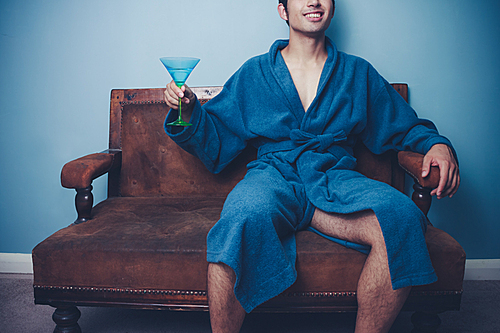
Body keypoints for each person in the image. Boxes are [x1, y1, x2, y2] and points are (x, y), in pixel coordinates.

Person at [163, 0, 460, 332]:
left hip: (334, 176)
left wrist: (436, 144)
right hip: (273, 175)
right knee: (239, 219)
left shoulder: (356, 72)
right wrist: (188, 112)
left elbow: (403, 125)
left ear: (331, 8)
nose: (315, 1)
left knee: (403, 217)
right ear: (283, 10)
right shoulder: (255, 72)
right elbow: (216, 140)